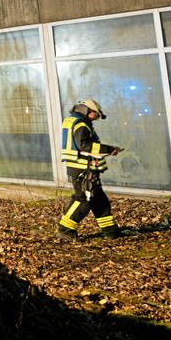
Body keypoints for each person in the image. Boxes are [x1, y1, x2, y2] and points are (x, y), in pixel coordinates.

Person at [57, 98, 124, 240]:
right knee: (83, 199)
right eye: (96, 114)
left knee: (99, 200)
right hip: (83, 169)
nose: (97, 118)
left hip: (84, 168)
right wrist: (109, 149)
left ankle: (110, 231)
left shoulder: (73, 121)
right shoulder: (81, 124)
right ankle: (65, 229)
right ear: (87, 110)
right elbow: (85, 146)